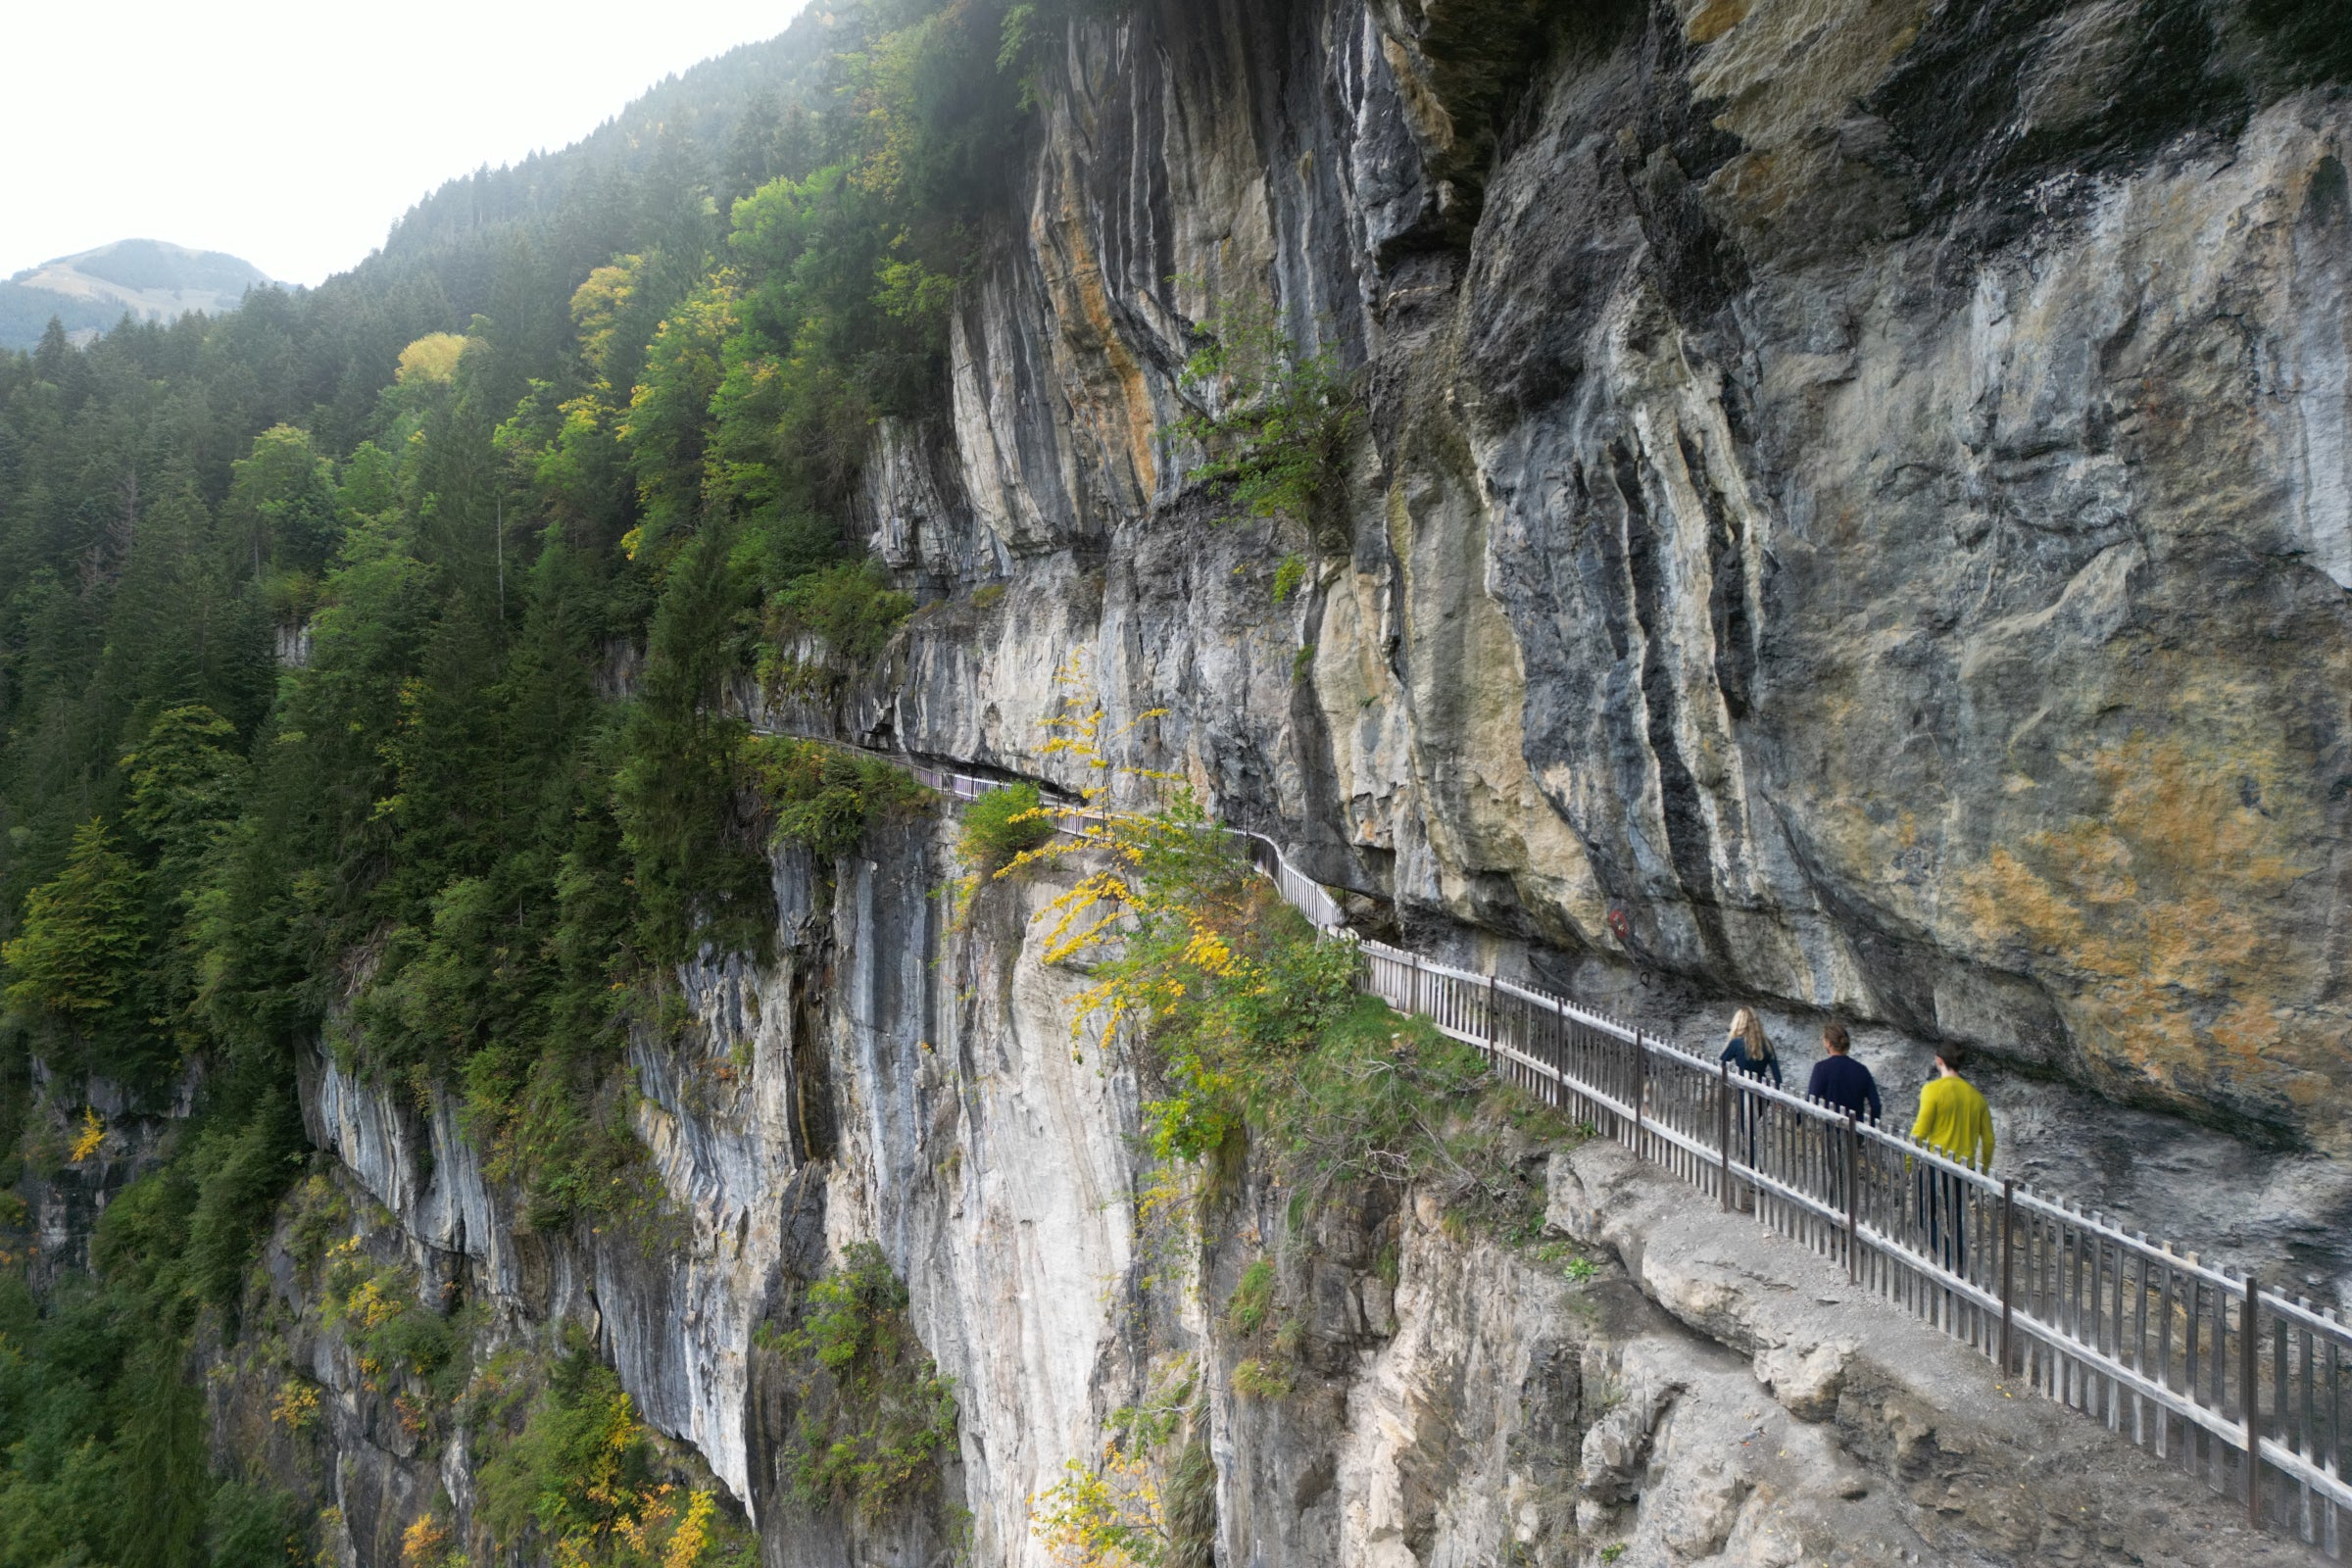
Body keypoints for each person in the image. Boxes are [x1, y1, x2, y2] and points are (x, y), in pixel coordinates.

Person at [1909, 1045, 1994, 1273]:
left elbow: (1920, 1130)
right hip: (1963, 1169)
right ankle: (1961, 1265)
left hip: (1934, 1165)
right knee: (1957, 1219)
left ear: (1939, 1061)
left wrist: (1909, 1163)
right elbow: (1988, 1140)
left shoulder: (1932, 1090)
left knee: (1924, 1216)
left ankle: (1949, 1263)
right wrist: (1983, 1170)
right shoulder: (1976, 1097)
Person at [1804, 1020, 1881, 1122]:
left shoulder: (1821, 1068)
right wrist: (1870, 1129)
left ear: (1828, 1043)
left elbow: (1811, 1100)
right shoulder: (1862, 1070)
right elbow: (1876, 1105)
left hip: (1831, 1130)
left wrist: (1796, 1120)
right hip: (1856, 1131)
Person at [1720, 1007, 1781, 1087]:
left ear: (1738, 1023)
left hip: (1743, 1088)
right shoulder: (1767, 1044)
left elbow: (1721, 1064)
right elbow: (1777, 1075)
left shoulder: (1736, 1043)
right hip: (1762, 1090)